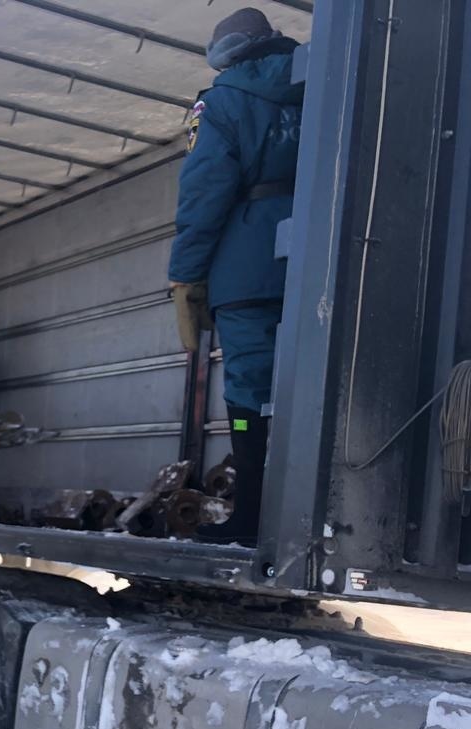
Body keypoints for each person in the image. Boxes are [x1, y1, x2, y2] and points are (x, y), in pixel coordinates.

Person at [168, 8, 303, 546]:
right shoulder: (328, 84)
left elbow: (204, 194)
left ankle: (252, 519)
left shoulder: (222, 101)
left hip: (248, 269)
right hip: (327, 260)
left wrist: (186, 276)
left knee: (250, 392)